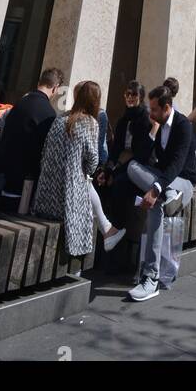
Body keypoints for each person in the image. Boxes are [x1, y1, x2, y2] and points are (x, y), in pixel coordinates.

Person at [34, 79, 125, 257]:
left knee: (81, 180)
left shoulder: (60, 119)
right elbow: (92, 164)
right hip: (65, 201)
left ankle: (107, 229)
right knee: (84, 183)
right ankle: (106, 230)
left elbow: (45, 153)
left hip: (44, 196)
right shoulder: (90, 123)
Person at [125, 84, 196, 302]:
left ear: (167, 108)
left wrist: (156, 189)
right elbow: (143, 156)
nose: (150, 113)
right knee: (132, 167)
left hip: (184, 182)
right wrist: (152, 131)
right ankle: (166, 196)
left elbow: (176, 164)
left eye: (155, 109)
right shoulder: (157, 124)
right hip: (165, 181)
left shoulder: (183, 125)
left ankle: (152, 278)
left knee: (155, 202)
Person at [0, 67, 65, 213]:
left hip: (2, 178)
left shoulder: (20, 103)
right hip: (24, 186)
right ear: (56, 88)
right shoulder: (48, 113)